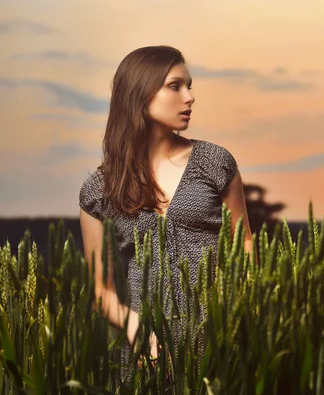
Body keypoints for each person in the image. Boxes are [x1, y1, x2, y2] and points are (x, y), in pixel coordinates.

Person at [79, 45, 253, 381]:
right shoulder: (99, 190)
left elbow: (243, 243)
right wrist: (137, 329)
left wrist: (232, 313)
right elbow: (100, 292)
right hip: (148, 355)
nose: (189, 98)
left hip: (221, 344)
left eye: (189, 87)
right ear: (140, 93)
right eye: (175, 86)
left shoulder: (216, 163)